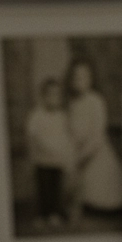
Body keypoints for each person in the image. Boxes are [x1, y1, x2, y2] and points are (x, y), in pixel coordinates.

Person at [67, 58, 122, 218]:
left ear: (91, 79)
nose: (79, 81)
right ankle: (79, 205)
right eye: (76, 77)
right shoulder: (72, 103)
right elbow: (71, 128)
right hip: (78, 146)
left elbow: (98, 133)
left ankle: (103, 206)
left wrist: (84, 154)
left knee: (99, 178)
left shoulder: (96, 101)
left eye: (84, 77)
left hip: (96, 148)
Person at [25, 77, 75, 228]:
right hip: (42, 161)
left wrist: (68, 157)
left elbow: (67, 137)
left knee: (57, 189)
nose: (54, 98)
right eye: (50, 94)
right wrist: (33, 155)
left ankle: (55, 214)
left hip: (58, 161)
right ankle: (42, 215)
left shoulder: (62, 116)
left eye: (57, 95)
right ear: (43, 96)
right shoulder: (37, 115)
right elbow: (31, 135)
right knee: (43, 189)